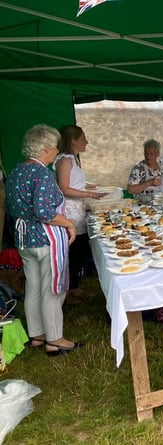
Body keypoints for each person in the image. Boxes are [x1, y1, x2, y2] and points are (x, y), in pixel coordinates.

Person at [6, 124, 82, 356]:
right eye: (55, 148)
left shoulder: (17, 170)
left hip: (24, 238)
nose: (57, 152)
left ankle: (37, 334)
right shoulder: (42, 174)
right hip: (44, 238)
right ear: (46, 148)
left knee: (34, 286)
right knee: (52, 289)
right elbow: (43, 211)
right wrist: (69, 223)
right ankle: (55, 339)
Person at [55, 125, 106, 303]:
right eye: (83, 138)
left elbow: (74, 182)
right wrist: (90, 194)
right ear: (73, 141)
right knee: (76, 250)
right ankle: (68, 291)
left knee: (80, 250)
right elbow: (64, 188)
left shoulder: (72, 158)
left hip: (77, 209)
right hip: (70, 211)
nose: (87, 141)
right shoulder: (65, 160)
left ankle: (73, 287)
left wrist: (90, 185)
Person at [127, 138, 163, 203]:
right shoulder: (138, 168)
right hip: (144, 204)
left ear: (158, 154)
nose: (148, 157)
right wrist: (150, 182)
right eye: (146, 153)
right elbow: (131, 190)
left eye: (151, 154)